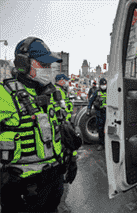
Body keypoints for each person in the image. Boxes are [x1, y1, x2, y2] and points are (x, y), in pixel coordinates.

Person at [0, 37, 82, 213]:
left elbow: (66, 130)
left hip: (54, 181)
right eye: (43, 64)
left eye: (49, 64)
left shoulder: (56, 93)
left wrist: (72, 158)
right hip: (21, 186)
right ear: (23, 63)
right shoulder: (3, 94)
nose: (48, 69)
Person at [87, 78, 107, 151]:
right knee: (100, 128)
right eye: (102, 85)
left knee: (109, 129)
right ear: (100, 85)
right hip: (100, 113)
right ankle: (101, 144)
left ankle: (108, 143)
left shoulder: (110, 91)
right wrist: (88, 109)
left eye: (105, 84)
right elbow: (91, 100)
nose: (104, 86)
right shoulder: (97, 92)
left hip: (109, 113)